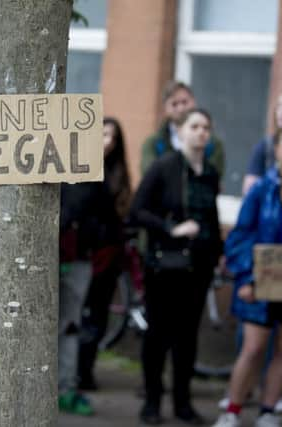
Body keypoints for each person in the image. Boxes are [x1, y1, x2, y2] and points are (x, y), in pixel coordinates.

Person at [214, 121, 282, 427]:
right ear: (277, 151)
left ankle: (268, 411)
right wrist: (246, 278)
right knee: (254, 347)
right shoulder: (261, 190)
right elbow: (240, 237)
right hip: (259, 283)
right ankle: (232, 410)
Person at [131, 108, 222, 425]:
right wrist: (172, 229)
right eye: (195, 126)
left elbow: (210, 215)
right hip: (165, 265)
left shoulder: (209, 172)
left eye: (206, 127)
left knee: (188, 336)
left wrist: (218, 253)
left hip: (199, 267)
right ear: (181, 131)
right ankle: (152, 401)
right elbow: (137, 211)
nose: (201, 132)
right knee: (157, 334)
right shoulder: (164, 166)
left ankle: (183, 403)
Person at [77, 117, 131, 390]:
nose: (108, 141)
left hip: (107, 255)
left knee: (97, 316)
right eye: (103, 134)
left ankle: (85, 370)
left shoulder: (117, 173)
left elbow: (121, 212)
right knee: (75, 315)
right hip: (83, 252)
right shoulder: (80, 168)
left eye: (113, 137)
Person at [140, 81, 225, 177]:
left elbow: (213, 177)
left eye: (185, 102)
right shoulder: (153, 143)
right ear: (165, 108)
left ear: (194, 102)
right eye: (174, 104)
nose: (181, 108)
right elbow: (150, 176)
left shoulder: (212, 144)